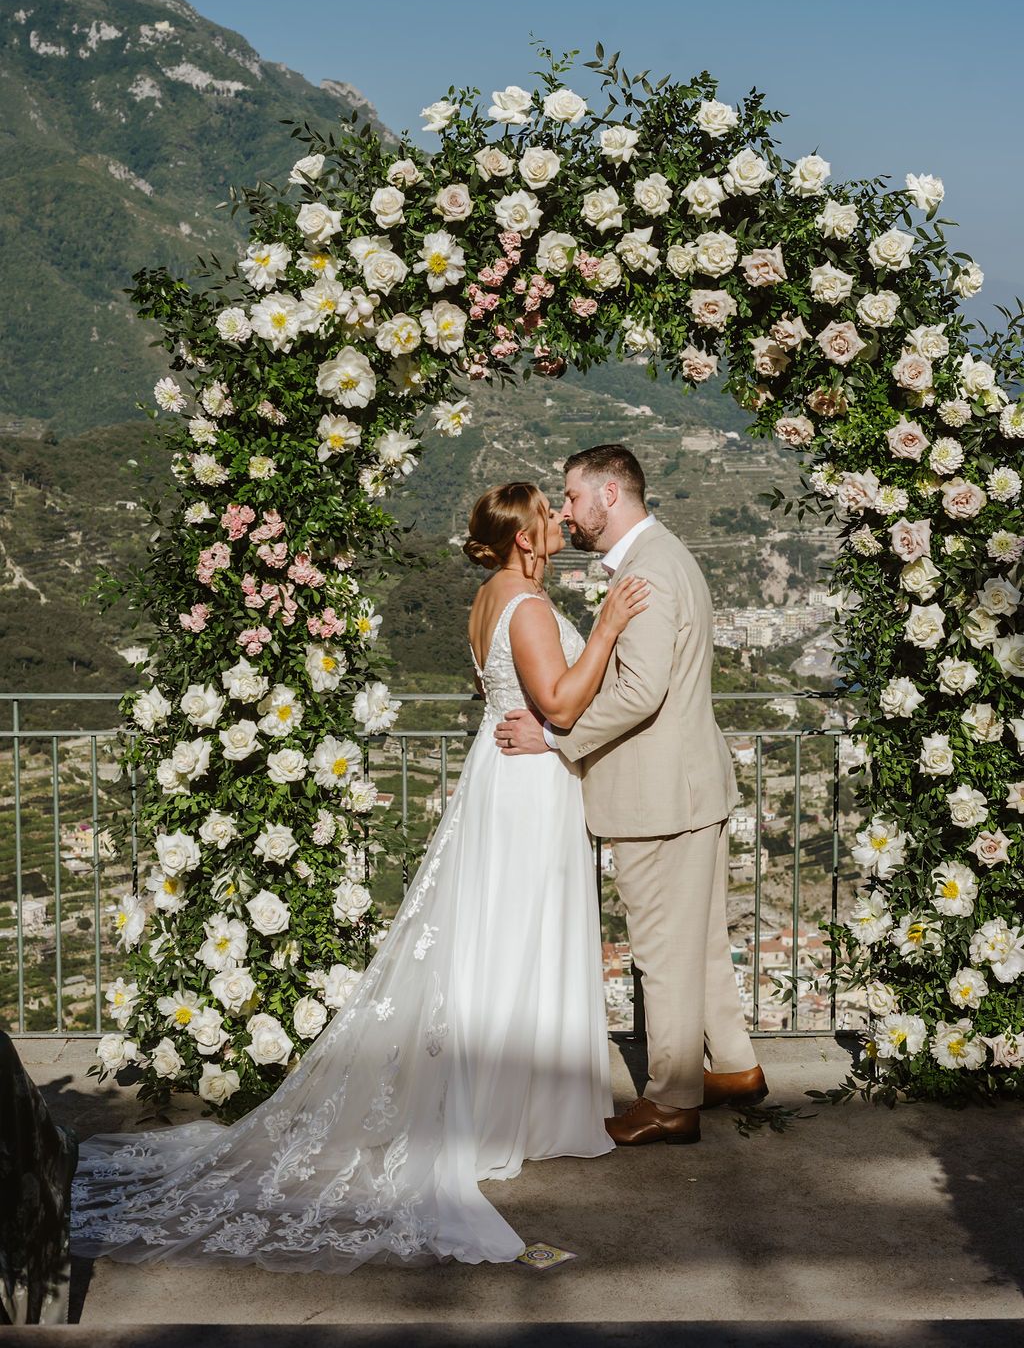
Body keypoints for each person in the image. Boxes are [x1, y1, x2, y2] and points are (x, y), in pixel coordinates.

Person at [70, 482, 648, 1273]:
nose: (557, 524)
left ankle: (499, 1106)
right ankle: (511, 1117)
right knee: (522, 931)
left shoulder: (487, 600)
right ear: (524, 538)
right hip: (529, 785)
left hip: (496, 774)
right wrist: (611, 626)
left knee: (495, 935)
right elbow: (559, 701)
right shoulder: (534, 607)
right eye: (548, 515)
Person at [496, 445, 768, 1146]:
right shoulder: (666, 557)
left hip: (658, 796)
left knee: (662, 952)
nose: (567, 513)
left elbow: (639, 692)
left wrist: (559, 742)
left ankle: (672, 1102)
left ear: (610, 495)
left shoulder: (648, 572)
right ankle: (734, 1068)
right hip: (687, 785)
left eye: (574, 498)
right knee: (701, 943)